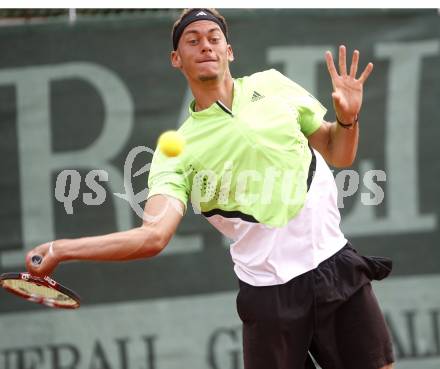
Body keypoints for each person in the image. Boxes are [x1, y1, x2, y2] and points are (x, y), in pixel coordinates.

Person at [26, 8, 394, 369]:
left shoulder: (273, 85)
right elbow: (153, 236)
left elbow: (338, 152)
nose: (206, 46)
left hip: (333, 264)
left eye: (214, 38)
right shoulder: (177, 151)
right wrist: (62, 249)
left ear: (229, 51)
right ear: (176, 59)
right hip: (270, 296)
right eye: (193, 40)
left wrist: (348, 118)